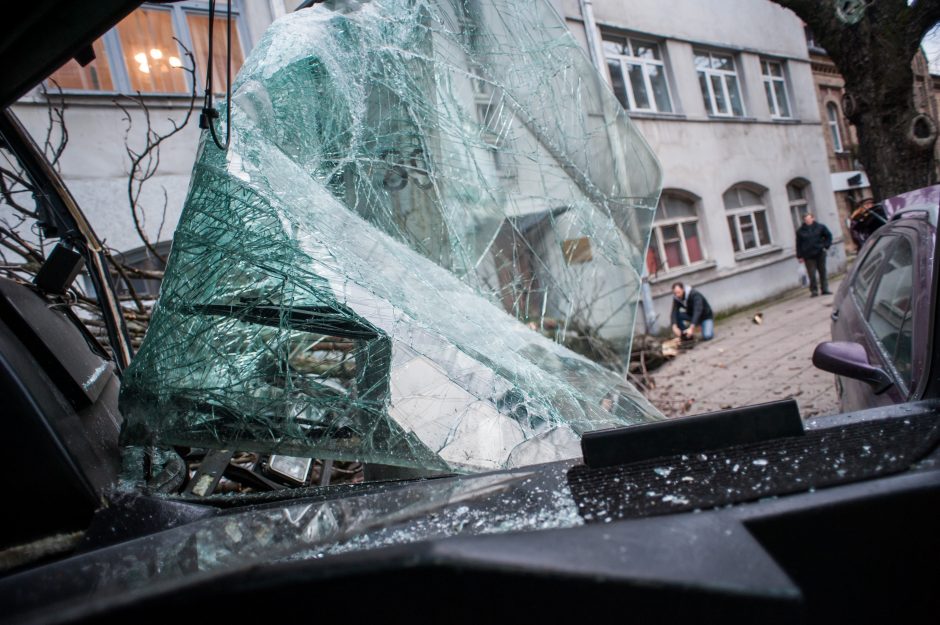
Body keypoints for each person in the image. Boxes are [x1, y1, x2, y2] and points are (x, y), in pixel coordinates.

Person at [795, 212, 833, 297]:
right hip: (808, 255)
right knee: (811, 273)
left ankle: (825, 289)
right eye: (806, 219)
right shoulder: (800, 231)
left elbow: (828, 236)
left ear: (813, 218)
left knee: (822, 271)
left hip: (820, 252)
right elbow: (798, 244)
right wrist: (799, 255)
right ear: (804, 220)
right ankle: (814, 290)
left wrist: (826, 246)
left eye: (809, 219)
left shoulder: (820, 227)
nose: (808, 221)